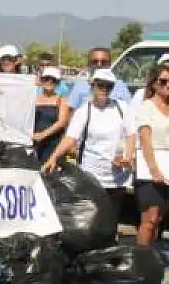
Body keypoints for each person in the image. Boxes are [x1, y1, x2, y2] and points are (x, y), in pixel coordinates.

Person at [42, 69, 135, 212]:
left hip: (117, 178)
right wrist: (54, 158)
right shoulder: (85, 110)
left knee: (112, 219)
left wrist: (128, 156)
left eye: (109, 86)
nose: (104, 89)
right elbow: (70, 138)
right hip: (91, 176)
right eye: (100, 85)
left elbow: (131, 134)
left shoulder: (122, 107)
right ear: (92, 86)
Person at [134, 64, 169, 249]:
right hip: (149, 170)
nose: (168, 85)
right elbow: (145, 138)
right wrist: (154, 169)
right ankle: (140, 258)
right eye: (163, 81)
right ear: (153, 84)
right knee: (149, 217)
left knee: (158, 218)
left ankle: (149, 255)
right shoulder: (146, 106)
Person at [67, 46, 133, 110]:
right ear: (89, 64)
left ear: (109, 64)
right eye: (95, 62)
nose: (99, 65)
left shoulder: (120, 85)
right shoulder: (80, 85)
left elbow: (130, 110)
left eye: (103, 62)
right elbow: (71, 111)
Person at [33, 67, 70, 163]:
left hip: (53, 144)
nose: (49, 82)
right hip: (33, 142)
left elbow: (62, 122)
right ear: (41, 80)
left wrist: (42, 135)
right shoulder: (33, 98)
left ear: (58, 82)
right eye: (46, 79)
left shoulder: (62, 99)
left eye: (53, 80)